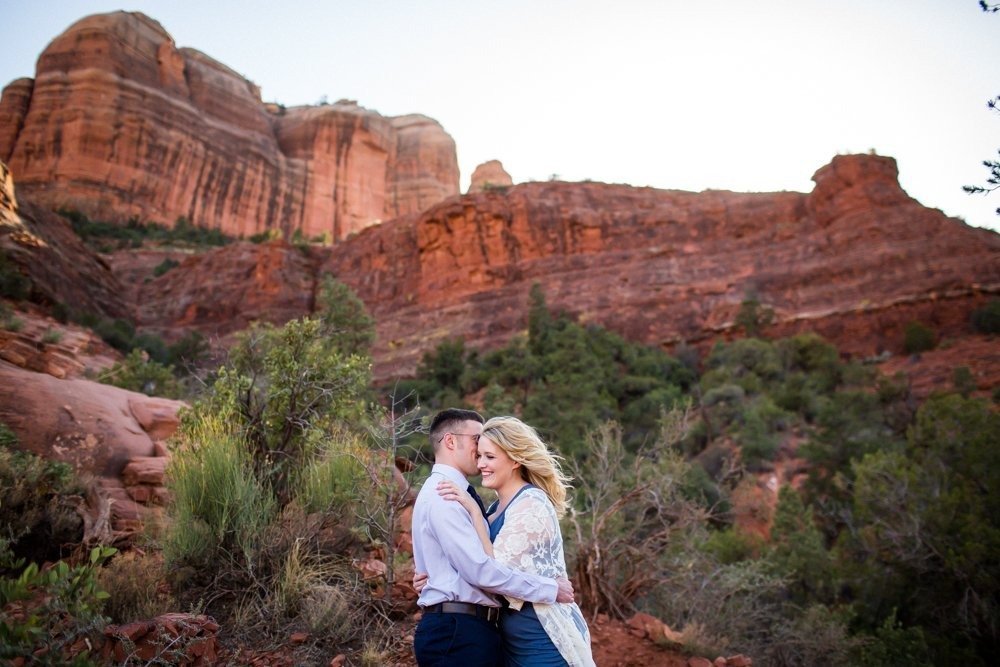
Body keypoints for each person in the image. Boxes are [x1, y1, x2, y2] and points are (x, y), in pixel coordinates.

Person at [412, 408, 576, 667]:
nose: (479, 458)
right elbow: (483, 571)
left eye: (489, 454)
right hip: (460, 633)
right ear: (451, 441)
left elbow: (484, 563)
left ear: (514, 460)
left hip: (515, 632)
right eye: (477, 442)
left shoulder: (475, 500)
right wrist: (551, 589)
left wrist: (439, 576)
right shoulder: (447, 495)